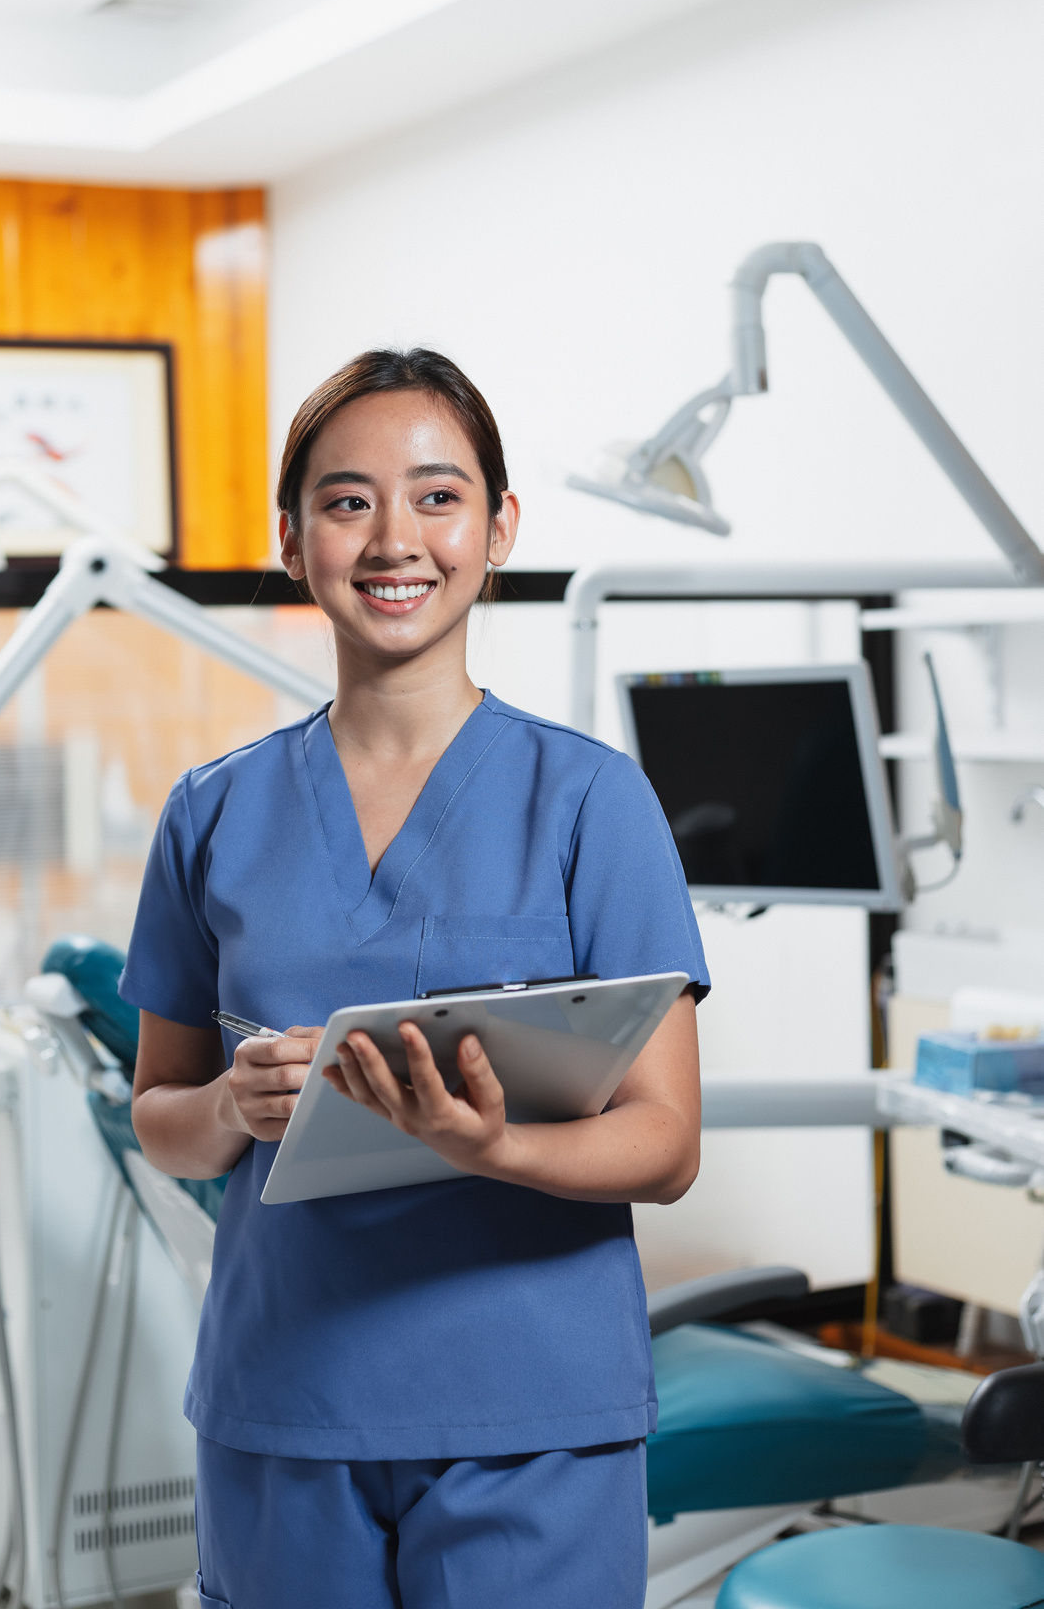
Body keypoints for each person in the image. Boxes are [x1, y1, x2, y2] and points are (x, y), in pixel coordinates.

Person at [126, 348, 709, 1609]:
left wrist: (492, 1145)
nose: (394, 539)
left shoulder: (591, 802)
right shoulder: (210, 813)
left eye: (438, 497)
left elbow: (665, 1143)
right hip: (287, 1400)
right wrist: (229, 1102)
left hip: (533, 1412)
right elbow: (159, 1118)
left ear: (497, 529)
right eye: (347, 501)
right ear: (291, 540)